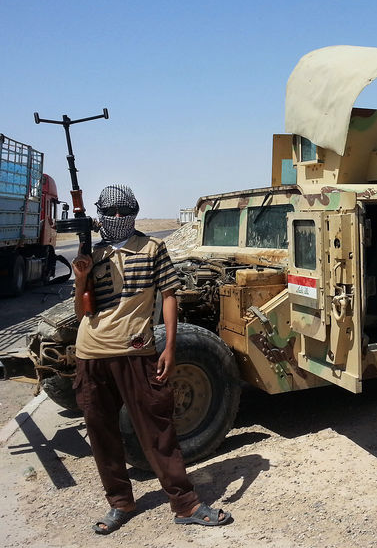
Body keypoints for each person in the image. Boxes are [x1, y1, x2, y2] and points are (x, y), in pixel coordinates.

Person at [72, 184, 231, 534]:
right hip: (91, 354)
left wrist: (170, 347)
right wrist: (81, 277)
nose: (117, 217)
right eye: (110, 212)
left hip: (136, 352)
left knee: (158, 430)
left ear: (134, 212)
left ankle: (186, 503)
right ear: (100, 215)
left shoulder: (152, 248)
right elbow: (82, 312)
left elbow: (169, 295)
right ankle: (120, 502)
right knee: (101, 432)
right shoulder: (92, 254)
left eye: (124, 211)